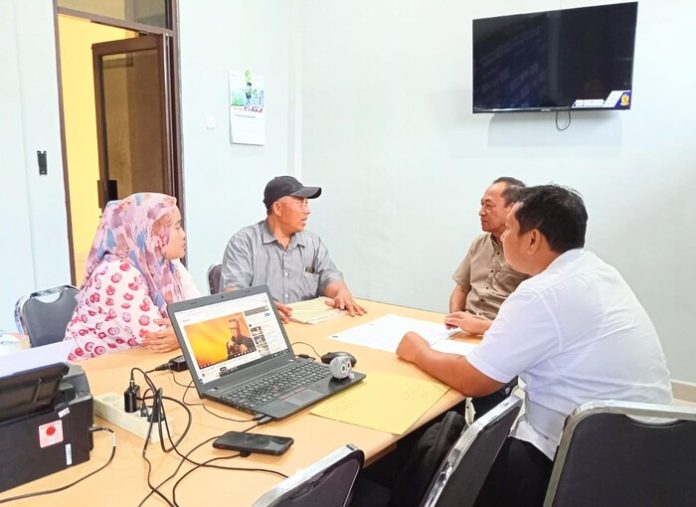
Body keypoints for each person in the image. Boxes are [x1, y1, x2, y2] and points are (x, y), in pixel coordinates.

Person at [396, 185, 672, 507]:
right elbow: (558, 335)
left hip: (574, 462)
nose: (503, 236)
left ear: (533, 239)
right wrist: (487, 326)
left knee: (434, 458)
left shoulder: (540, 293)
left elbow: (476, 380)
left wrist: (417, 350)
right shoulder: (597, 271)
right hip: (649, 453)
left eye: (510, 228)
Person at [64, 193, 200, 360]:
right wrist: (188, 331)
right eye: (176, 227)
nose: (183, 234)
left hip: (139, 361)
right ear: (151, 232)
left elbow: (201, 312)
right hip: (92, 372)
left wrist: (184, 332)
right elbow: (156, 337)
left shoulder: (168, 264)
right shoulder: (116, 273)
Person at [220, 175, 366, 321]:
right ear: (277, 208)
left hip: (307, 326)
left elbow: (330, 277)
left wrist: (341, 292)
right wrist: (261, 308)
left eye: (307, 203)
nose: (307, 210)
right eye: (300, 203)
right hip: (265, 324)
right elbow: (233, 292)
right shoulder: (244, 242)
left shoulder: (312, 243)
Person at [447, 177, 527, 335]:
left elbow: (531, 315)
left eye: (488, 205)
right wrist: (455, 319)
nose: (481, 212)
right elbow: (461, 288)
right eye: (481, 204)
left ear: (512, 208)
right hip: (466, 329)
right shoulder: (479, 243)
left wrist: (483, 327)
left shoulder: (529, 250)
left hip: (503, 333)